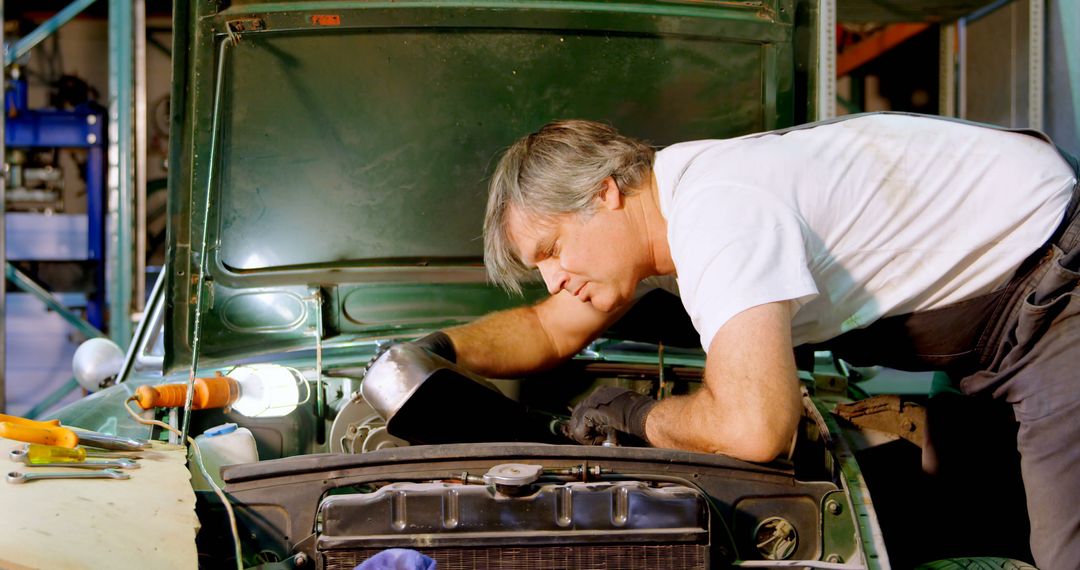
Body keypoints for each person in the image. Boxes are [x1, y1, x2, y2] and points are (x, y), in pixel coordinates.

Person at [402, 113, 1079, 568]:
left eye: (552, 250)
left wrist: (634, 417)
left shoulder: (715, 212)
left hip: (1055, 300)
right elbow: (549, 328)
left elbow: (757, 431)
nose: (556, 279)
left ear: (605, 194)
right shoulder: (661, 215)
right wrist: (430, 350)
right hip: (985, 340)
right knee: (959, 519)